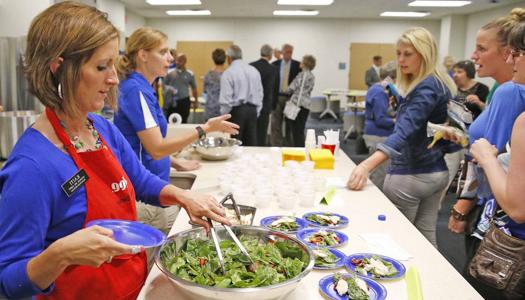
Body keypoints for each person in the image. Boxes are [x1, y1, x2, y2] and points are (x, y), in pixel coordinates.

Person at [0, 2, 230, 299]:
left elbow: (141, 181)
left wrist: (182, 195)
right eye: (100, 67)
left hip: (129, 286)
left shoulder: (101, 128)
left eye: (113, 64)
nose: (114, 78)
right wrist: (60, 254)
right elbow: (8, 280)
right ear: (59, 67)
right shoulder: (32, 165)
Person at [114, 27, 239, 235]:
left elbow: (141, 144)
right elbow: (156, 148)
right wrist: (205, 129)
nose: (170, 58)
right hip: (146, 197)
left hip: (156, 189)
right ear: (143, 55)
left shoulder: (143, 87)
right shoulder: (135, 90)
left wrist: (175, 161)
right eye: (163, 52)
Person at [347, 27, 458, 247]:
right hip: (436, 172)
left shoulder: (425, 87)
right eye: (398, 53)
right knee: (426, 238)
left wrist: (365, 166)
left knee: (396, 242)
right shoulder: (439, 83)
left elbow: (404, 132)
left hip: (411, 175)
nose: (400, 59)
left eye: (408, 54)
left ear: (424, 54)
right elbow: (422, 124)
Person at [448, 9, 525, 299]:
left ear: (509, 51)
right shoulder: (499, 90)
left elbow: (488, 157)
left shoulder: (509, 93)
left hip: (500, 218)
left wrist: (461, 208)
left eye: (482, 48)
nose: (474, 55)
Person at [219, 45, 263, 146]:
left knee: (234, 145)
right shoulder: (254, 70)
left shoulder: (228, 73)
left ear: (228, 58)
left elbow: (226, 100)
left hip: (236, 112)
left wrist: (224, 116)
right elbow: (260, 94)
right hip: (252, 111)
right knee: (251, 145)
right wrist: (256, 111)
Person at [363, 61, 397, 190]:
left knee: (377, 173)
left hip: (375, 134)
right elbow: (380, 120)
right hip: (378, 135)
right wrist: (395, 121)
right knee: (379, 176)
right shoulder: (380, 92)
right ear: (392, 78)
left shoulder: (376, 88)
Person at [271, 43, 301, 146]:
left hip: (291, 99)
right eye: (287, 52)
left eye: (291, 52)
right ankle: (276, 145)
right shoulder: (275, 64)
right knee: (275, 123)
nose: (289, 54)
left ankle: (289, 145)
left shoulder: (297, 65)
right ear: (282, 52)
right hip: (277, 97)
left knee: (290, 123)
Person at [284, 55, 316, 147]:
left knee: (294, 131)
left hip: (296, 105)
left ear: (305, 63)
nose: (300, 63)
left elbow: (291, 88)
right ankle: (302, 148)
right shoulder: (312, 76)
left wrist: (284, 90)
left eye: (302, 61)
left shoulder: (301, 75)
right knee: (300, 130)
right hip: (306, 105)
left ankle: (297, 148)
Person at [250, 44, 279, 146]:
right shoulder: (273, 69)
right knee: (262, 133)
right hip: (266, 105)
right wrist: (273, 106)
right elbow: (275, 89)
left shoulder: (251, 66)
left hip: (252, 105)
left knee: (251, 132)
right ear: (270, 55)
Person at [163, 53, 198, 123]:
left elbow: (194, 88)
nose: (177, 62)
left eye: (180, 61)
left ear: (185, 61)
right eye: (176, 60)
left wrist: (196, 101)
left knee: (184, 121)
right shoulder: (169, 73)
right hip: (172, 101)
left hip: (184, 101)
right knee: (171, 121)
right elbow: (163, 85)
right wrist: (169, 89)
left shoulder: (190, 74)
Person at [203, 48, 226, 120]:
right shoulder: (228, 75)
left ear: (213, 59)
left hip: (210, 111)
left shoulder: (208, 75)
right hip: (224, 111)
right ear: (225, 59)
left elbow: (204, 92)